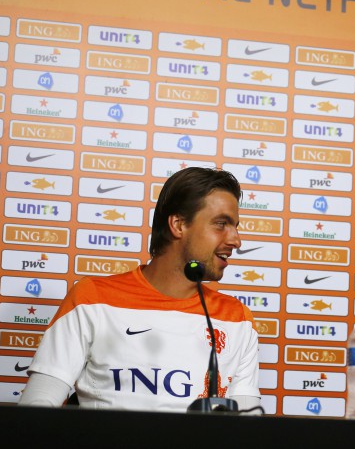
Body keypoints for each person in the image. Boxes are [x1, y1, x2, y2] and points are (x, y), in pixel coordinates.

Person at [19, 167, 262, 413]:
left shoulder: (237, 318)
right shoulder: (92, 298)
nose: (236, 240)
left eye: (235, 226)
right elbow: (36, 409)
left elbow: (247, 421)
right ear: (178, 225)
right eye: (221, 224)